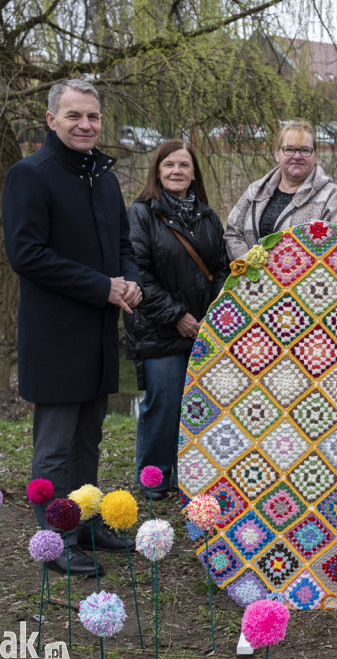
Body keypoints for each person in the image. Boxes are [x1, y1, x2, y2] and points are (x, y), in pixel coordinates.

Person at [3, 79, 142, 576]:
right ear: (51, 119)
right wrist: (101, 286)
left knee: (88, 440)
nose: (85, 125)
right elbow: (26, 255)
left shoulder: (103, 178)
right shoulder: (30, 175)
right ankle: (54, 538)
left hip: (99, 333)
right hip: (56, 336)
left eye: (93, 116)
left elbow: (123, 244)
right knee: (56, 448)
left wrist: (131, 282)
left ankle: (84, 522)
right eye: (74, 115)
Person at [125, 140, 228, 501]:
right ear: (157, 170)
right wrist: (177, 316)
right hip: (160, 329)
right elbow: (138, 273)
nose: (176, 171)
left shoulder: (207, 216)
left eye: (184, 165)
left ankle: (193, 475)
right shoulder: (142, 214)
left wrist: (213, 313)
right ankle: (154, 477)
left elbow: (221, 268)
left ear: (194, 173)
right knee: (164, 403)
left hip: (204, 329)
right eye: (169, 165)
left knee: (201, 406)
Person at [224, 121, 337, 259]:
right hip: (250, 272)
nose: (297, 156)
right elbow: (233, 233)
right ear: (277, 154)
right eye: (289, 149)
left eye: (305, 150)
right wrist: (250, 264)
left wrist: (282, 270)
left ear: (315, 156)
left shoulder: (331, 197)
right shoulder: (255, 191)